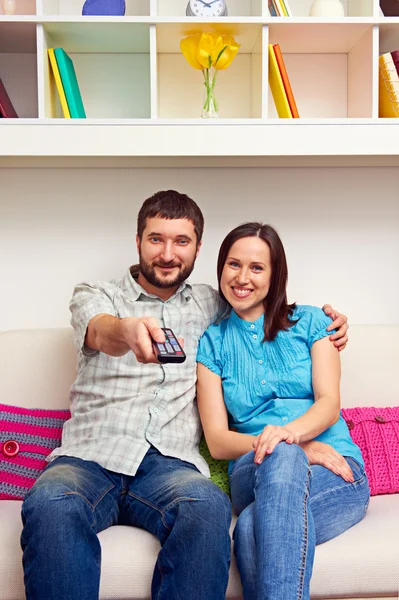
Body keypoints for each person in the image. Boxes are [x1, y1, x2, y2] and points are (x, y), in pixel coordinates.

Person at [20, 191, 349, 600]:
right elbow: (100, 329)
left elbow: (266, 307)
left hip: (168, 466)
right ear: (138, 240)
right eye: (156, 239)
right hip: (90, 456)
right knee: (52, 501)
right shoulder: (96, 294)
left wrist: (330, 322)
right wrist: (127, 331)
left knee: (207, 507)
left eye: (181, 241)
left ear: (197, 249)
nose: (167, 253)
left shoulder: (213, 305)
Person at [196, 222, 370, 600]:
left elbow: (328, 404)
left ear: (275, 276)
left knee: (249, 529)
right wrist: (291, 447)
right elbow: (219, 440)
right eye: (233, 264)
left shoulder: (312, 323)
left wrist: (287, 435)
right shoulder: (212, 342)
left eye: (257, 268)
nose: (242, 277)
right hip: (251, 469)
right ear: (220, 269)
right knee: (283, 458)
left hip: (336, 470)